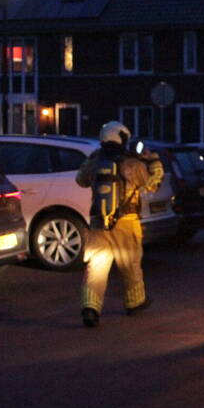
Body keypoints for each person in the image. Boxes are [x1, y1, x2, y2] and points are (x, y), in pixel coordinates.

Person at [75, 121, 163, 328]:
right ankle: (135, 302)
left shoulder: (96, 161)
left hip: (98, 223)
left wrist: (91, 161)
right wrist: (154, 161)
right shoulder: (131, 163)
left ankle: (90, 308)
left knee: (96, 266)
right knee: (130, 264)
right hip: (126, 222)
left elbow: (81, 180)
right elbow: (152, 185)